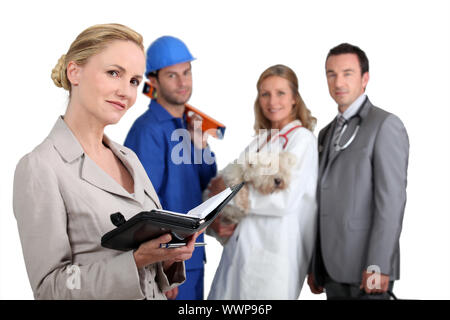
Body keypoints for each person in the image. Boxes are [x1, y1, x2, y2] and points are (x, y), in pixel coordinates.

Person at [12, 24, 200, 300]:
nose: (126, 92)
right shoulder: (41, 168)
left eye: (134, 81)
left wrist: (168, 260)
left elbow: (156, 278)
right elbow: (50, 289)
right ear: (74, 72)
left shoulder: (129, 159)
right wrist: (135, 261)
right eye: (114, 73)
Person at [307, 43, 409, 300]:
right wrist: (314, 266)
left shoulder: (385, 125)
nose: (338, 81)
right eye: (331, 74)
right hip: (331, 268)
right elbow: (321, 202)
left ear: (365, 78)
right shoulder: (326, 133)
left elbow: (391, 203)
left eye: (347, 73)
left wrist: (378, 266)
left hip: (367, 270)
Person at [207, 64, 318, 299]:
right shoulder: (260, 141)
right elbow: (219, 184)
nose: (272, 101)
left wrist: (226, 193)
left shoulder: (302, 140)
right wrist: (221, 204)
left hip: (273, 256)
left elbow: (283, 201)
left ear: (295, 99)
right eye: (265, 94)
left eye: (280, 93)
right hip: (240, 251)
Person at [124, 36, 217, 300]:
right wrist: (166, 267)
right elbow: (142, 207)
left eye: (186, 72)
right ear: (153, 81)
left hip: (193, 254)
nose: (183, 82)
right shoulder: (148, 130)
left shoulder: (188, 125)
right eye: (172, 75)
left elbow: (207, 186)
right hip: (168, 262)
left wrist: (200, 146)